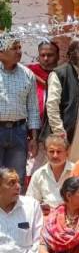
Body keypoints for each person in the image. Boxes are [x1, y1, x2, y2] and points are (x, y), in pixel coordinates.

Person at [43, 37, 79, 163]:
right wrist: (59, 132)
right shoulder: (59, 74)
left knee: (78, 171)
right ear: (78, 54)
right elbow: (52, 106)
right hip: (65, 134)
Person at [0, 33, 40, 184]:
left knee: (16, 178)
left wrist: (34, 138)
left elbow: (33, 109)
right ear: (1, 52)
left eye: (19, 47)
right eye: (14, 48)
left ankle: (15, 207)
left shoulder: (27, 74)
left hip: (19, 132)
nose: (18, 51)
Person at [27, 133, 74, 213]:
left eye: (59, 152)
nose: (55, 156)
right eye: (51, 151)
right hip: (46, 219)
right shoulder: (39, 174)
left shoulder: (76, 170)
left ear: (67, 152)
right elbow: (30, 203)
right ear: (46, 152)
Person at [28, 39, 60, 119]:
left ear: (58, 56)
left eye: (50, 55)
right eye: (42, 55)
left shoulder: (63, 74)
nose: (46, 58)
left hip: (57, 122)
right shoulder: (29, 71)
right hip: (34, 123)